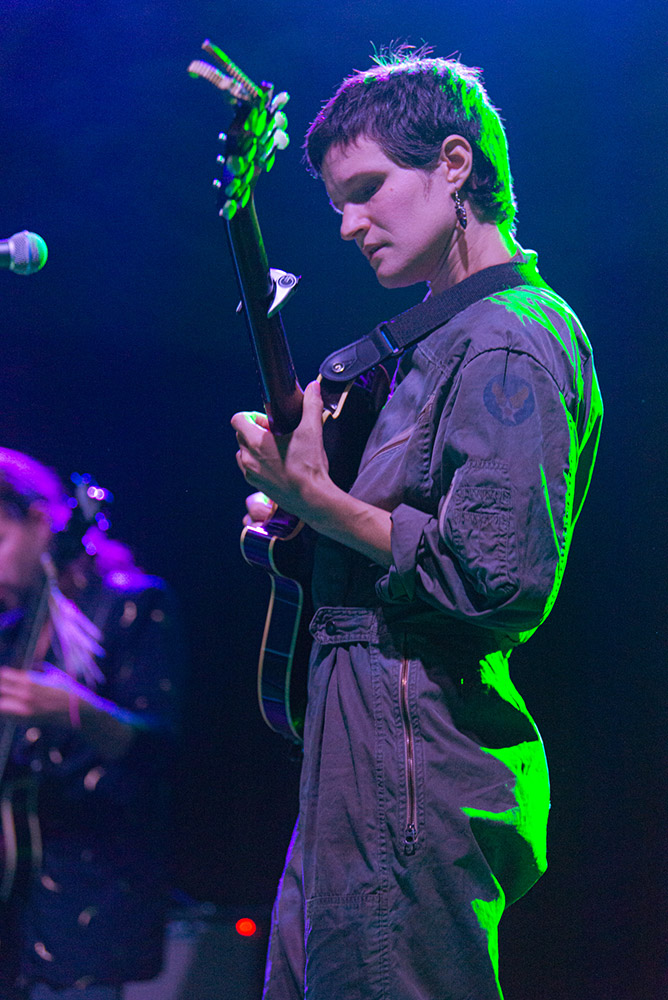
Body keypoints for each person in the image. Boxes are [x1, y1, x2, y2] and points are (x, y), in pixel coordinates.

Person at [232, 46, 602, 1000]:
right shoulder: (437, 340)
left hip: (414, 750)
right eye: (336, 207)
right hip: (361, 748)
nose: (352, 225)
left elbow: (500, 579)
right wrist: (304, 521)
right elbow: (392, 538)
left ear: (452, 163)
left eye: (367, 190)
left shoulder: (510, 338)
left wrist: (321, 500)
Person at [0, 449, 183, 1000]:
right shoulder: (13, 626)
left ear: (37, 522)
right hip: (12, 902)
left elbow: (161, 746)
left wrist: (73, 707)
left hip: (86, 893)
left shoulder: (130, 603)